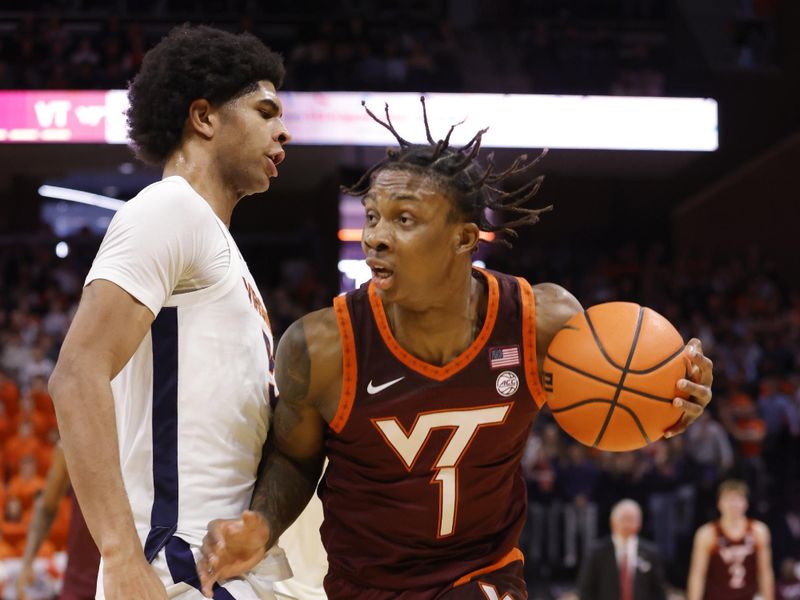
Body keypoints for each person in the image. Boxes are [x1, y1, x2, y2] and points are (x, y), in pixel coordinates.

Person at [197, 99, 714, 599]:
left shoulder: (542, 323)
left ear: (464, 238)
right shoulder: (323, 346)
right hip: (365, 584)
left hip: (483, 573)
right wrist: (261, 526)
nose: (374, 237)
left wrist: (670, 402)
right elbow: (294, 457)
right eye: (372, 216)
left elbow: (619, 401)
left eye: (404, 219)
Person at [47, 23, 310, 600]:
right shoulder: (169, 209)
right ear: (205, 117)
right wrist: (119, 556)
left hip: (222, 571)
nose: (283, 129)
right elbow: (76, 374)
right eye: (265, 111)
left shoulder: (221, 249)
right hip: (174, 571)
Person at [15, 444, 100, 600]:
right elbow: (46, 508)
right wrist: (27, 563)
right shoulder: (70, 447)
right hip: (78, 585)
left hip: (126, 579)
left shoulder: (135, 439)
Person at [687, 479, 774, 600]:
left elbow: (765, 572)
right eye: (729, 499)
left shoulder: (758, 531)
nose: (734, 504)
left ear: (746, 503)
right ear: (719, 503)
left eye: (738, 499)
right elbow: (697, 575)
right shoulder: (707, 533)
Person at [577, 499, 667, 600]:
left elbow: (658, 591)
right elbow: (586, 590)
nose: (627, 524)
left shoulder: (650, 553)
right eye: (624, 519)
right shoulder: (598, 552)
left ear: (640, 523)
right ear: (612, 521)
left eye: (632, 519)